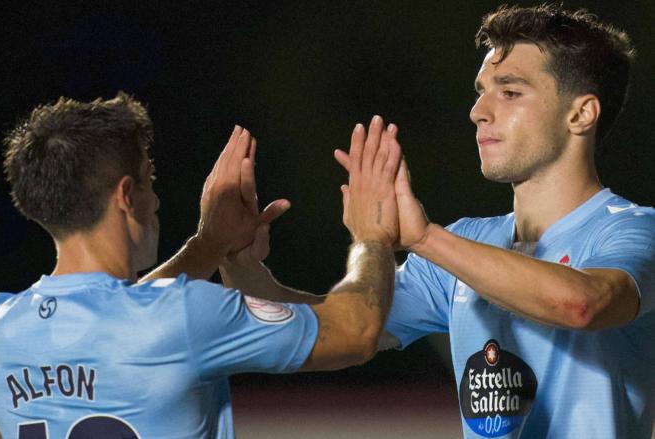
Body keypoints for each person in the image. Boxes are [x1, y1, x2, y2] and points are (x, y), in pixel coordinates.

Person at [222, 4, 655, 438]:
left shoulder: (633, 229)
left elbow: (583, 304)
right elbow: (330, 331)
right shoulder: (467, 243)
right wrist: (242, 268)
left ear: (580, 114)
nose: (479, 111)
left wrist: (425, 239)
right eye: (480, 92)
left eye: (509, 92)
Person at [0, 93, 403, 438]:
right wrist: (373, 234)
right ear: (125, 195)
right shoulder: (184, 314)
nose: (154, 200)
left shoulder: (2, 327)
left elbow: (117, 323)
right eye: (147, 180)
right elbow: (355, 331)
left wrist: (209, 244)